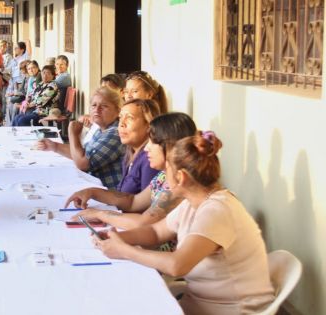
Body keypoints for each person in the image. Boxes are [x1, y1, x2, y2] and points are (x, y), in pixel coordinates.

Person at [93, 132, 275, 314]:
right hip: (198, 304)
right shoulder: (193, 202)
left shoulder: (217, 211)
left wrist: (124, 250)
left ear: (180, 176)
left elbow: (176, 265)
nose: (163, 174)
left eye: (167, 169)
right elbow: (155, 232)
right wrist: (114, 237)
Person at [67, 112, 197, 231]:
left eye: (152, 142)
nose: (146, 148)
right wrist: (92, 192)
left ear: (170, 146)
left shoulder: (179, 184)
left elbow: (144, 223)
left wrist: (99, 214)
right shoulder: (164, 176)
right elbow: (133, 202)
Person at [36, 87, 125, 189]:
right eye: (94, 105)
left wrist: (73, 134)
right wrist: (54, 146)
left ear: (118, 111)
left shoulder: (115, 133)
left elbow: (82, 163)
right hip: (93, 187)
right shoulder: (101, 129)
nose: (97, 109)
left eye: (104, 106)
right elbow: (82, 153)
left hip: (107, 194)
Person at [116, 99, 160, 194]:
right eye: (120, 117)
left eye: (130, 118)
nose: (121, 124)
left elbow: (146, 206)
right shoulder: (130, 153)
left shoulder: (150, 159)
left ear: (149, 125)